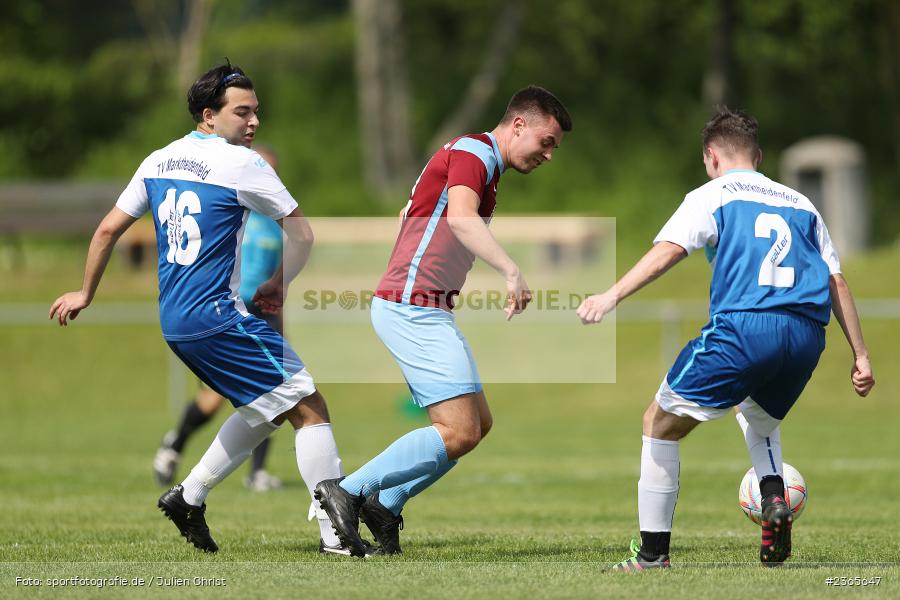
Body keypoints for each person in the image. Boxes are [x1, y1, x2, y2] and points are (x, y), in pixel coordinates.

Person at [50, 62, 362, 556]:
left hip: (175, 320)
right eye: (242, 113)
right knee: (310, 408)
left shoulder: (157, 160)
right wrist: (279, 285)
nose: (254, 122)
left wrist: (85, 293)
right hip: (217, 315)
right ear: (208, 115)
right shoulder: (245, 163)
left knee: (266, 411)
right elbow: (303, 233)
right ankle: (337, 539)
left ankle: (189, 495)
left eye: (257, 112)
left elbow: (108, 229)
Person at [576, 108, 875, 570]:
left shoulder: (711, 194)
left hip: (745, 326)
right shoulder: (802, 204)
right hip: (806, 336)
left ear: (710, 156)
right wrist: (861, 354)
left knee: (658, 422)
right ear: (757, 156)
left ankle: (653, 556)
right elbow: (837, 281)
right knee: (757, 416)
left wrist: (610, 295)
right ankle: (774, 500)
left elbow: (670, 251)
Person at [313, 85, 573, 557]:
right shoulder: (476, 150)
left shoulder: (480, 163)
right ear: (518, 126)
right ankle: (347, 491)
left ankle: (385, 505)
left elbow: (416, 212)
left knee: (478, 424)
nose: (549, 154)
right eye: (547, 141)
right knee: (458, 430)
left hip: (426, 306)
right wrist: (511, 271)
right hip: (412, 307)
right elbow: (459, 219)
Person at [152, 145, 287, 493]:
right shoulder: (232, 209)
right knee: (213, 400)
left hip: (263, 312)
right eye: (261, 168)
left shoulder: (275, 221)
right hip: (226, 311)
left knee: (275, 389)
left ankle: (256, 472)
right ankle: (175, 445)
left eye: (271, 170)